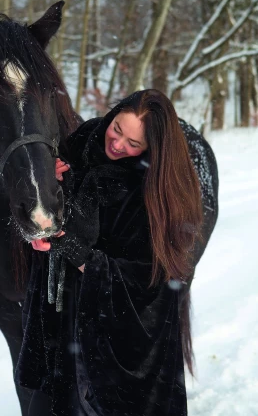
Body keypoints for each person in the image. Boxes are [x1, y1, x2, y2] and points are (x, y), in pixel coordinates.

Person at [15, 89, 219, 416]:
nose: (118, 144)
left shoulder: (157, 195)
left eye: (133, 144)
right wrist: (49, 183)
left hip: (107, 333)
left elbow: (149, 280)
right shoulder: (82, 141)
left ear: (151, 148)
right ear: (113, 115)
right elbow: (55, 212)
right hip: (60, 316)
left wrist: (73, 249)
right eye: (117, 129)